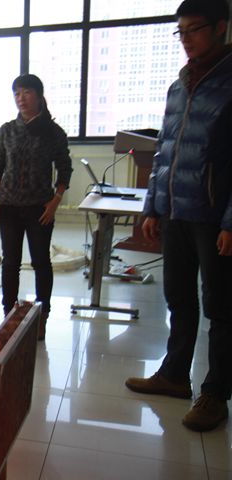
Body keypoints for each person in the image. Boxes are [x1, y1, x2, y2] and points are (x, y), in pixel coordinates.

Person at [125, 0, 232, 433]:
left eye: (194, 29)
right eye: (180, 31)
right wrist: (153, 206)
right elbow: (164, 152)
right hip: (175, 212)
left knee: (221, 308)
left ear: (221, 27)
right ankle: (173, 374)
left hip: (213, 217)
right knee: (179, 298)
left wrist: (230, 221)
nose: (185, 39)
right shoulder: (179, 85)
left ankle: (216, 394)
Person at [0, 74, 72, 341]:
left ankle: (41, 316)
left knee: (40, 262)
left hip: (39, 208)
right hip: (9, 206)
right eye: (17, 93)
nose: (21, 98)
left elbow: (65, 168)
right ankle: (8, 315)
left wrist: (56, 200)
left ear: (38, 95)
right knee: (10, 262)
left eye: (26, 92)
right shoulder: (7, 130)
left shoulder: (53, 132)